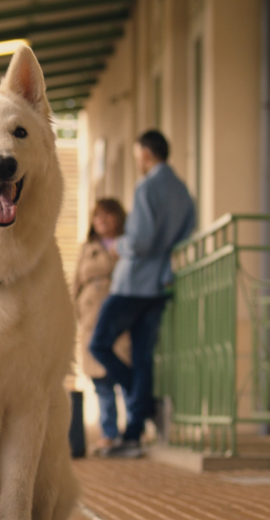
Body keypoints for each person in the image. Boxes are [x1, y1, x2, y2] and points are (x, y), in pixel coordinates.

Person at [89, 130, 196, 458]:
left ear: (146, 155)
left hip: (133, 283)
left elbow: (139, 241)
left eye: (137, 156)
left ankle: (145, 404)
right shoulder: (183, 192)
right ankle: (134, 433)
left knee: (98, 344)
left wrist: (119, 245)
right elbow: (185, 236)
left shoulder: (147, 187)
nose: (138, 162)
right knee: (142, 359)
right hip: (160, 285)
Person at [73, 198, 131, 453]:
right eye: (98, 216)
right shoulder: (87, 249)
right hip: (90, 317)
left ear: (119, 217)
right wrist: (75, 312)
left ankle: (132, 431)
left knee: (124, 374)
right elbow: (75, 282)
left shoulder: (127, 243)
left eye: (108, 215)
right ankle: (108, 433)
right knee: (101, 381)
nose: (102, 220)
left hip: (120, 316)